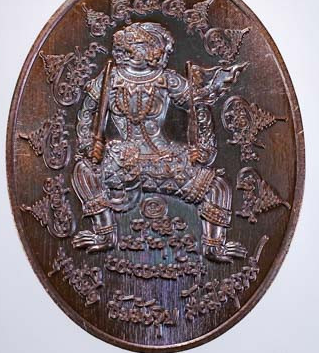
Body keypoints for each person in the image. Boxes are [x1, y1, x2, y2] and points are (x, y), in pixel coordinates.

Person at [72, 21, 247, 263]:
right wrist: (88, 145)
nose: (132, 51)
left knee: (218, 187)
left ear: (154, 49)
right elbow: (87, 116)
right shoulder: (109, 79)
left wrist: (203, 149)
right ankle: (104, 233)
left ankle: (214, 247)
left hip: (164, 160)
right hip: (120, 161)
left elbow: (199, 109)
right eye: (129, 45)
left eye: (139, 45)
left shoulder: (167, 80)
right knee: (83, 171)